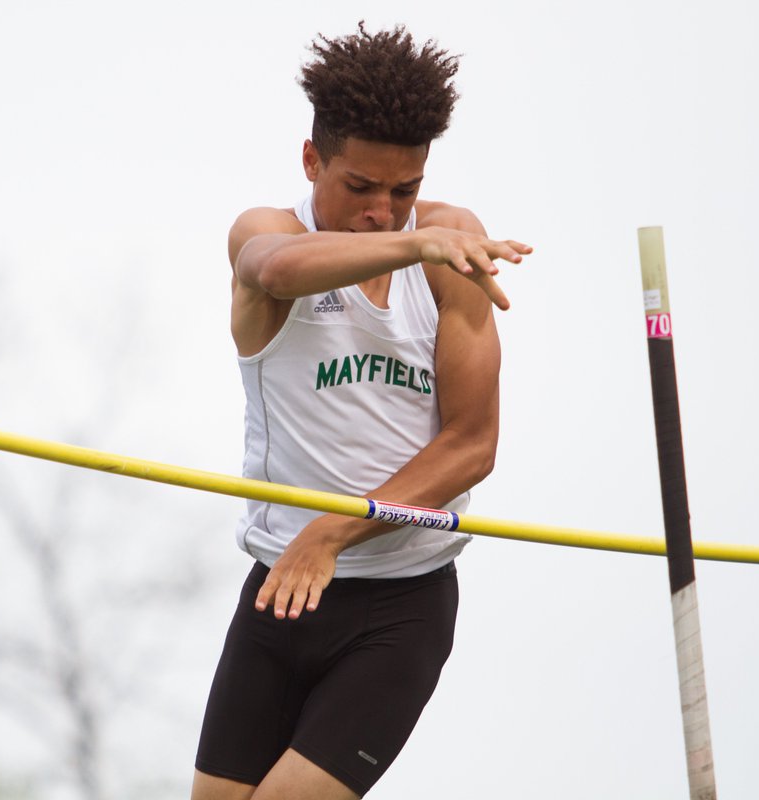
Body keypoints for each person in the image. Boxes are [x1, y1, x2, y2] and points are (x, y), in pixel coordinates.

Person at [192, 23, 532, 800]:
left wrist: (335, 530)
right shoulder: (271, 233)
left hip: (399, 604)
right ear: (312, 160)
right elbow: (274, 271)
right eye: (360, 188)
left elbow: (473, 445)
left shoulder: (453, 245)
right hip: (280, 583)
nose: (385, 212)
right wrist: (417, 246)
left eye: (405, 192)